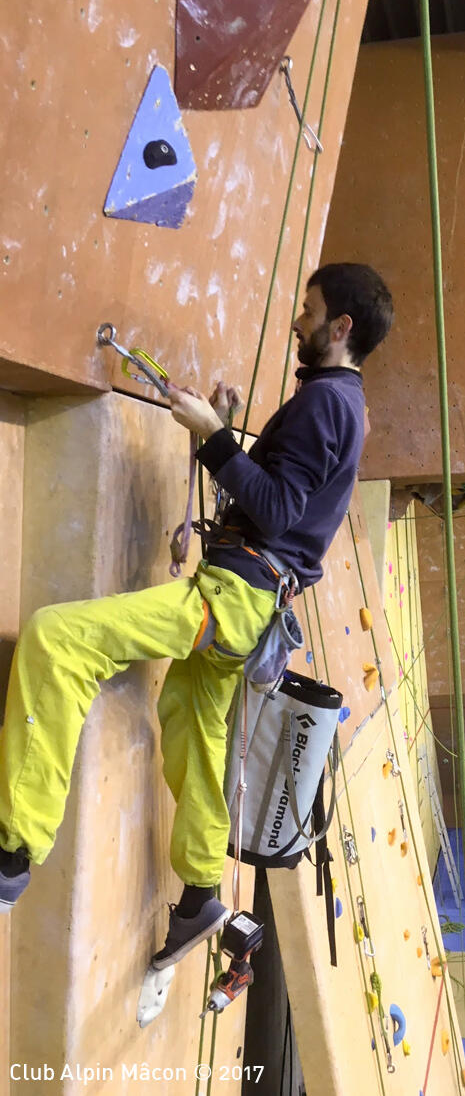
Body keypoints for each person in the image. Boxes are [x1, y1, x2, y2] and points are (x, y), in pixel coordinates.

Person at [0, 264, 393, 967]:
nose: (297, 321)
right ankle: (201, 895)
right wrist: (225, 430)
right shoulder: (344, 403)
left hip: (233, 596)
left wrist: (215, 436)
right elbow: (280, 499)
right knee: (193, 728)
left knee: (57, 640)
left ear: (341, 326)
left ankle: (12, 852)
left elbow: (276, 509)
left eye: (309, 311)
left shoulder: (325, 403)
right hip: (251, 604)